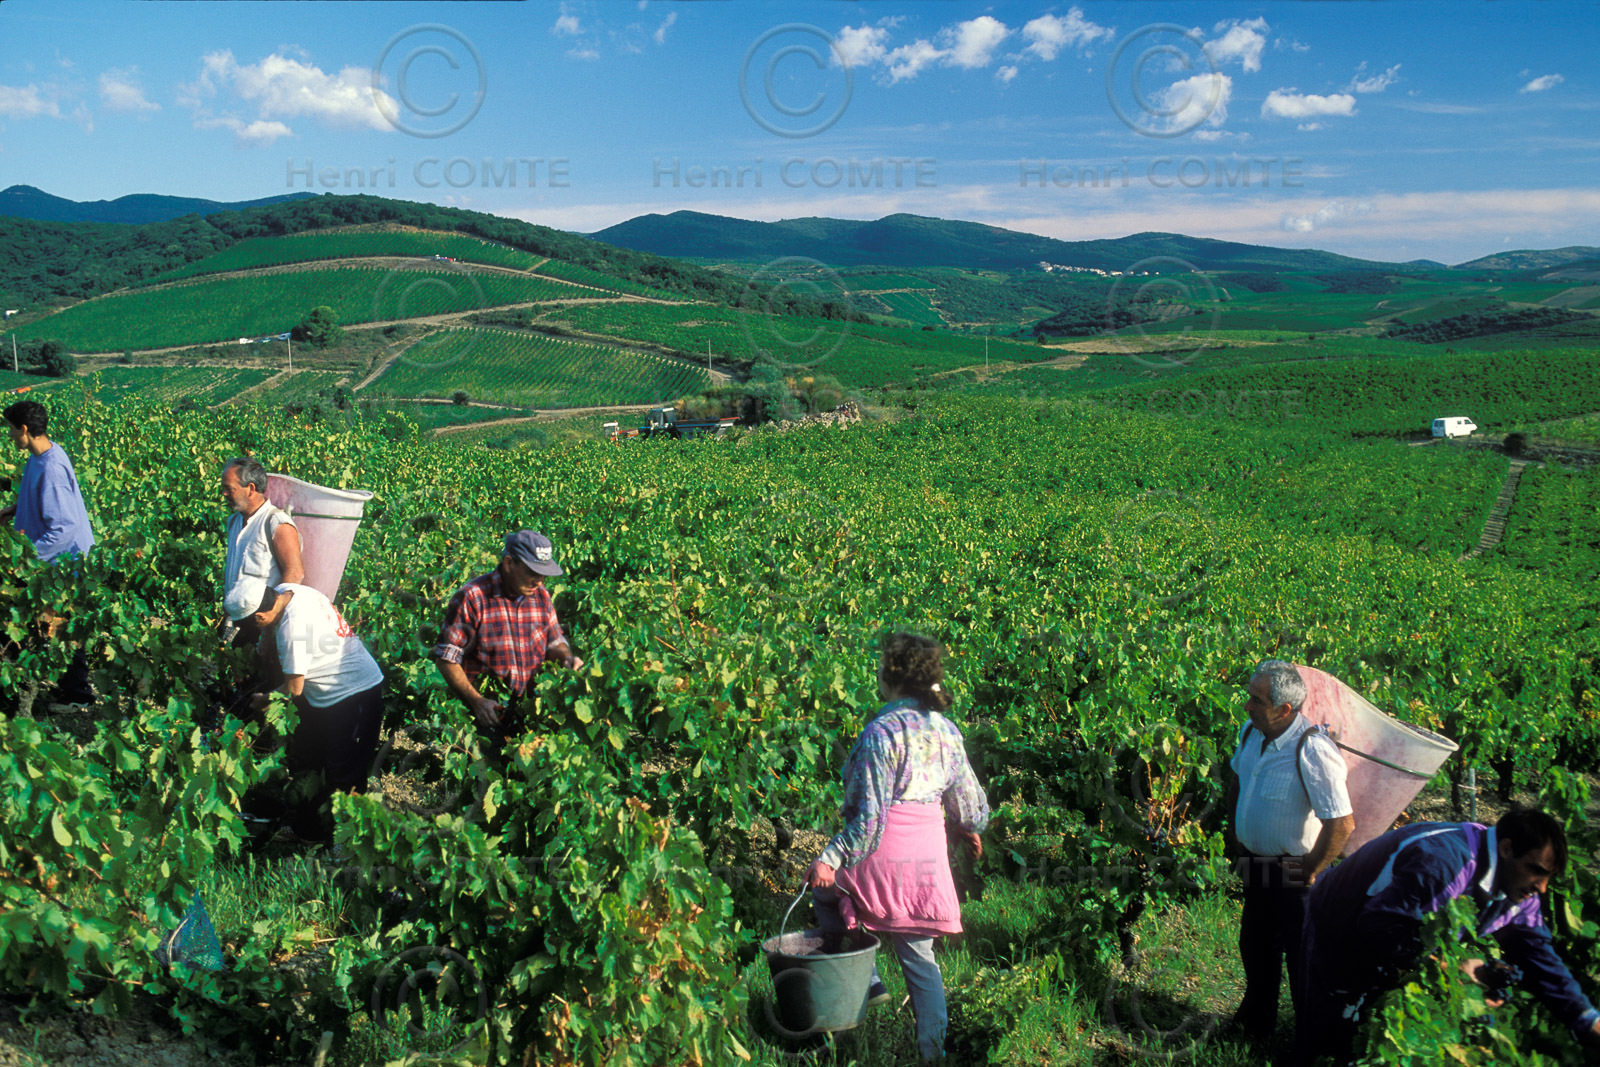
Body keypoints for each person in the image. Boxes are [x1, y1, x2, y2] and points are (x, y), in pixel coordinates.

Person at [806, 632, 989, 1063]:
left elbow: (868, 822)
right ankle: (934, 1054)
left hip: (881, 858)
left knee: (825, 891)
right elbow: (971, 806)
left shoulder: (880, 733)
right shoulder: (947, 731)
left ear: (891, 677)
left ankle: (867, 978)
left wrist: (829, 856)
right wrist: (967, 827)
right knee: (922, 964)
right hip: (926, 865)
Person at [1294, 808, 1600, 1064]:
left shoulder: (1520, 890)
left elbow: (1539, 957)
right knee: (1326, 1033)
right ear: (1506, 849)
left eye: (1548, 878)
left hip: (1388, 926)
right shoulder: (1443, 863)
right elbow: (1378, 925)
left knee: (1367, 1028)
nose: (1541, 888)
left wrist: (1586, 1019)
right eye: (1536, 871)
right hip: (1339, 918)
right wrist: (1449, 969)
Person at [1224, 659, 1355, 1044]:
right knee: (1256, 946)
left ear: (1284, 710)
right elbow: (1238, 780)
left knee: (1304, 961)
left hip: (1294, 874)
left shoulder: (1312, 749)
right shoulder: (1250, 733)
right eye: (1249, 696)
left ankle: (1311, 1041)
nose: (1247, 706)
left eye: (1257, 700)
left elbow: (1341, 822)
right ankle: (1256, 1023)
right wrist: (1237, 840)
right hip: (1255, 864)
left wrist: (1311, 869)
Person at [247, 581, 384, 844]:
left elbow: (294, 688)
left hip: (356, 695)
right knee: (310, 761)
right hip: (328, 696)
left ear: (261, 615)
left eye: (252, 624)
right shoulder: (290, 590)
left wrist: (264, 700)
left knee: (346, 775)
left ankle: (347, 845)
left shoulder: (292, 629)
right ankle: (308, 831)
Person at [432, 530, 583, 750]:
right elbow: (446, 659)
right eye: (532, 572)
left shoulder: (541, 596)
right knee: (489, 779)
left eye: (544, 575)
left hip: (531, 714)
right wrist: (477, 702)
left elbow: (554, 639)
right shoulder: (473, 597)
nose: (539, 581)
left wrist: (566, 657)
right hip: (487, 717)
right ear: (509, 563)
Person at [0, 400, 95, 703]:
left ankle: (77, 695)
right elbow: (41, 500)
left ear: (24, 429)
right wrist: (14, 510)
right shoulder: (41, 455)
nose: (10, 435)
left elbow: (63, 527)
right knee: (48, 624)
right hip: (52, 559)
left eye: (12, 430)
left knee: (62, 628)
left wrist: (24, 563)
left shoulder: (51, 466)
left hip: (64, 562)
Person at [220, 456, 304, 650]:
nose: (224, 493)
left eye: (229, 488)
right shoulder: (234, 522)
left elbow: (295, 574)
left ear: (250, 488)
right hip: (238, 618)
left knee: (260, 676)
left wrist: (268, 630)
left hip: (262, 623)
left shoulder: (276, 523)